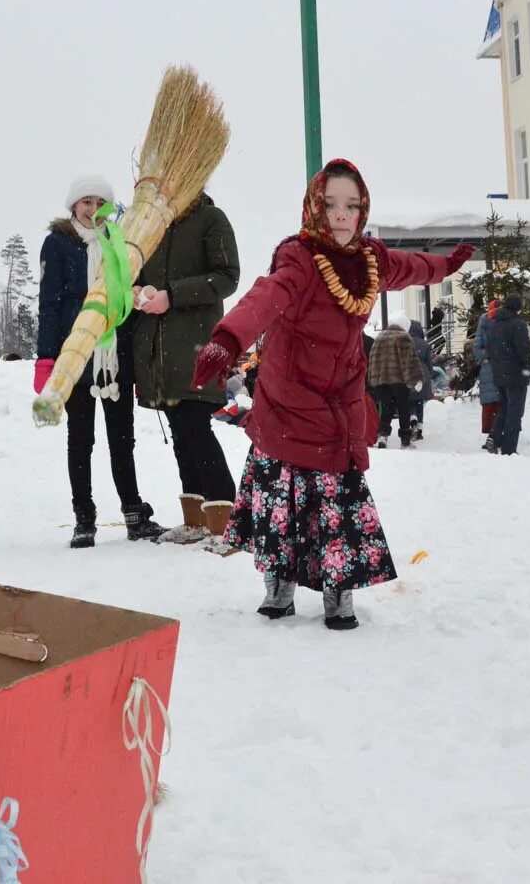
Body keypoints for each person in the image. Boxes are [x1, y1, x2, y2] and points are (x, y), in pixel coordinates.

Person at [189, 159, 474, 630]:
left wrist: (446, 266)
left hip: (338, 397)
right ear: (314, 207)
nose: (342, 214)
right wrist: (228, 339)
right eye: (331, 204)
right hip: (287, 395)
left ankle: (338, 591)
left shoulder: (370, 259)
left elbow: (410, 267)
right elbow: (265, 296)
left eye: (353, 205)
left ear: (362, 212)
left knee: (337, 500)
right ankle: (278, 584)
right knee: (281, 496)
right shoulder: (299, 259)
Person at [35, 177, 165, 547]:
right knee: (81, 439)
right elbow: (49, 305)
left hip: (116, 355)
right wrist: (47, 359)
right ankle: (84, 518)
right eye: (85, 202)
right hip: (75, 353)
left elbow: (128, 295)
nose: (92, 210)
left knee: (123, 438)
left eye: (99, 202)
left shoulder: (120, 243)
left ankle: (133, 512)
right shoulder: (58, 244)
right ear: (73, 206)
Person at [131, 190, 239, 534]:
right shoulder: (153, 225)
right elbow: (137, 272)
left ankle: (226, 521)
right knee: (181, 430)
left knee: (194, 427)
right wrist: (135, 290)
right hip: (160, 350)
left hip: (194, 346)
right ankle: (197, 520)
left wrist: (173, 295)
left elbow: (227, 276)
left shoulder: (211, 219)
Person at [367, 313, 424, 449]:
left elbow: (373, 360)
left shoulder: (380, 337)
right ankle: (405, 440)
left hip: (381, 381)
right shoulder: (403, 337)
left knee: (386, 408)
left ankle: (382, 436)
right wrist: (416, 379)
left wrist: (373, 379)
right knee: (403, 408)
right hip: (398, 380)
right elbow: (410, 361)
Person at [485, 294, 530, 455]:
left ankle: (495, 437)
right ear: (518, 308)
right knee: (515, 411)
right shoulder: (518, 325)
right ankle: (509, 449)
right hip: (516, 374)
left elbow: (490, 350)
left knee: (504, 408)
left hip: (499, 374)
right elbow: (523, 351)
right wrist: (528, 369)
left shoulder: (495, 325)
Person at [473, 300, 501, 449]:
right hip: (499, 368)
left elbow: (477, 349)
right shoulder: (505, 321)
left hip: (489, 368)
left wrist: (488, 354)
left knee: (491, 405)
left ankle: (492, 436)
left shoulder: (484, 322)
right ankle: (496, 436)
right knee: (499, 404)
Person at [407, 318, 434, 439]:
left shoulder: (406, 342)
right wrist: (430, 375)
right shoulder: (425, 344)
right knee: (420, 402)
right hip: (423, 375)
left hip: (410, 373)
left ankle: (412, 417)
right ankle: (420, 429)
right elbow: (429, 364)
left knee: (411, 400)